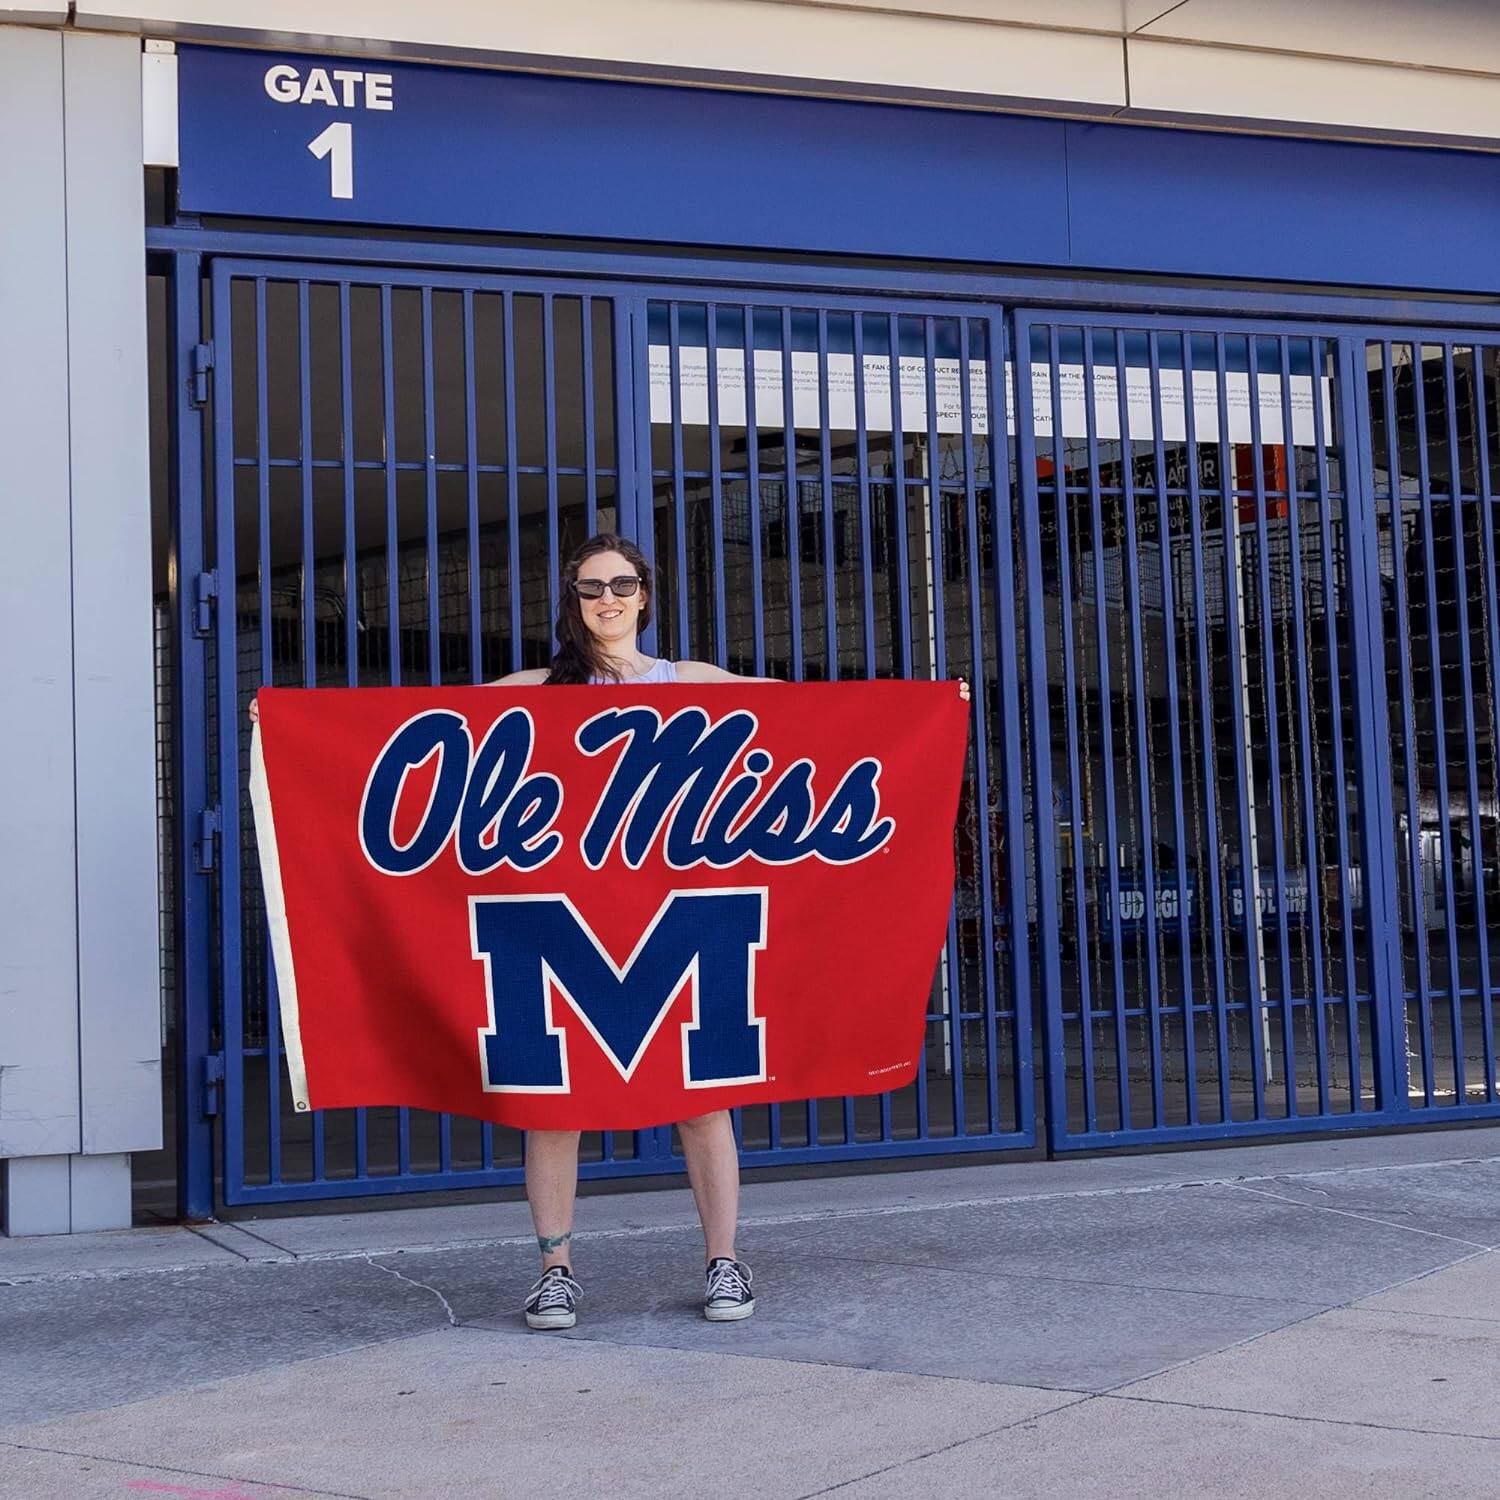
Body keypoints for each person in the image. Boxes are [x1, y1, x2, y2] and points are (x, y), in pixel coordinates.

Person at [493, 532, 774, 1332]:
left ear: (645, 595)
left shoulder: (690, 681)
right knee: (554, 1102)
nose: (607, 598)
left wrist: (930, 704)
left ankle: (724, 1261)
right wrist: (295, 721)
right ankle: (555, 1271)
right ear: (573, 600)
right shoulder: (539, 687)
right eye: (591, 587)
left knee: (700, 1097)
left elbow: (807, 711)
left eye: (622, 584)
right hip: (572, 914)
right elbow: (409, 726)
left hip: (669, 910)